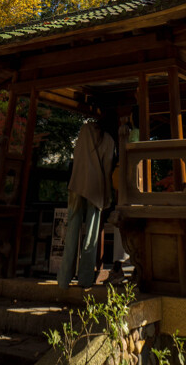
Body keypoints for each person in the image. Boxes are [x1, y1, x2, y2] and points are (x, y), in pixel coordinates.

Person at [58, 116, 114, 290]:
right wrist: (108, 194)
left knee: (72, 232)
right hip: (95, 189)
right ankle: (85, 278)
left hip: (76, 184)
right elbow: (106, 170)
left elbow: (76, 155)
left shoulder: (84, 131)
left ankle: (64, 279)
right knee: (90, 236)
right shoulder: (109, 140)